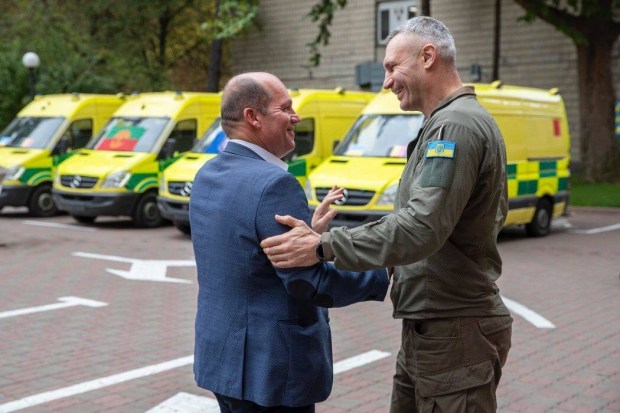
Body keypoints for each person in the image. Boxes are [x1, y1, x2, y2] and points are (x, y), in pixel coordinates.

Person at [261, 17, 512, 413]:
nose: (386, 82)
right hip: (434, 328)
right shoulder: (445, 123)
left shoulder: (455, 126)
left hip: (454, 332)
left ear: (427, 57)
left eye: (393, 66)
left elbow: (421, 227)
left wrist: (323, 246)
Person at [189, 72, 389, 413]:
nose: (296, 117)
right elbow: (307, 283)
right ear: (253, 117)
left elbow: (245, 252)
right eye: (286, 108)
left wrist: (311, 234)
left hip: (222, 360)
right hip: (271, 371)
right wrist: (382, 271)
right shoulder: (274, 184)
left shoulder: (207, 173)